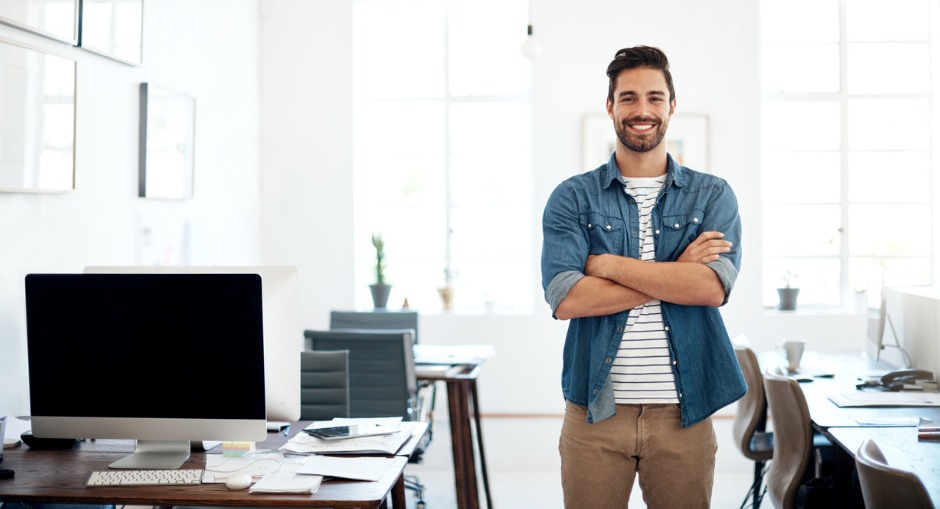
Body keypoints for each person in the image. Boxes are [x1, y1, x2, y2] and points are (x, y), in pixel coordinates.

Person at [540, 46, 746, 508]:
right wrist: (677, 272)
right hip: (594, 412)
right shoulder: (572, 197)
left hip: (684, 412)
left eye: (655, 97)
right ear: (610, 106)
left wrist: (605, 265)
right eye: (628, 97)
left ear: (672, 106)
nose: (642, 110)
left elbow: (711, 288)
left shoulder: (713, 194)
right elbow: (567, 299)